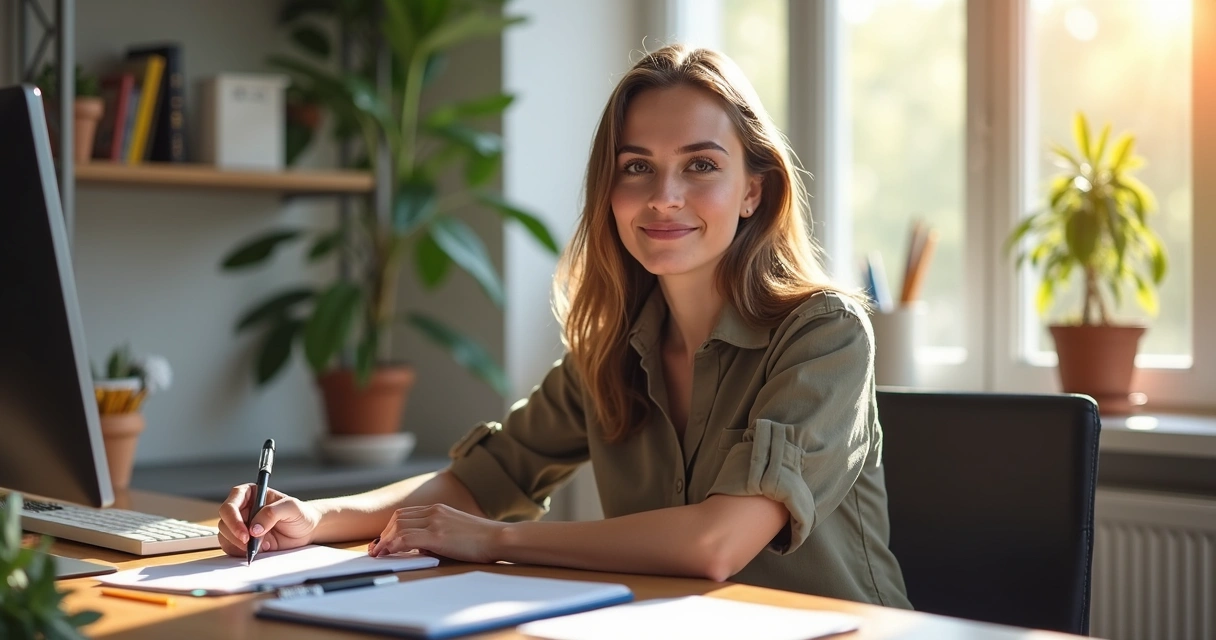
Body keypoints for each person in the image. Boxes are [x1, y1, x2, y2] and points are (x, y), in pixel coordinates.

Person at [217, 44, 910, 608]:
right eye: (636, 168)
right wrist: (315, 519)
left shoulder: (825, 333)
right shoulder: (611, 348)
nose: (664, 197)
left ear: (754, 189)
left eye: (700, 165)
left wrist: (492, 541)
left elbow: (716, 544)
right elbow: (481, 481)